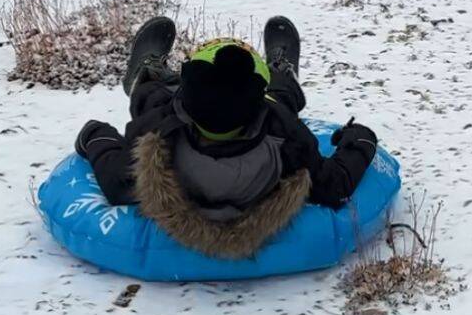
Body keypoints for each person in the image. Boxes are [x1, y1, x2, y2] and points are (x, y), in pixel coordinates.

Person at [73, 16, 379, 258]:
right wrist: (360, 140)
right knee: (280, 99)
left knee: (152, 100)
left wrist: (95, 137)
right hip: (257, 203)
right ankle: (281, 74)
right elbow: (334, 184)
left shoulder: (163, 127)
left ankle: (147, 77)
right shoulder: (286, 136)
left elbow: (116, 179)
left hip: (183, 197)